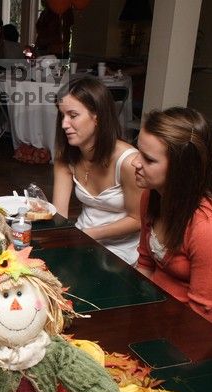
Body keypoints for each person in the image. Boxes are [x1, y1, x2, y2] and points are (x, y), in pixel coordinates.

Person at [133, 107, 212, 336]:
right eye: (138, 151)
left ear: (181, 169)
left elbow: (202, 317)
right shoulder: (151, 195)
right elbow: (145, 263)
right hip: (158, 315)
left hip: (196, 333)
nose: (135, 162)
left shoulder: (210, 228)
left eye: (149, 159)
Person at [52, 76, 141, 265]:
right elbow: (59, 216)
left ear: (97, 117)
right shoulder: (66, 157)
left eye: (73, 115)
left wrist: (88, 235)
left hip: (121, 252)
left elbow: (138, 220)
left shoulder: (129, 162)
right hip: (81, 240)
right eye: (62, 115)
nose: (64, 124)